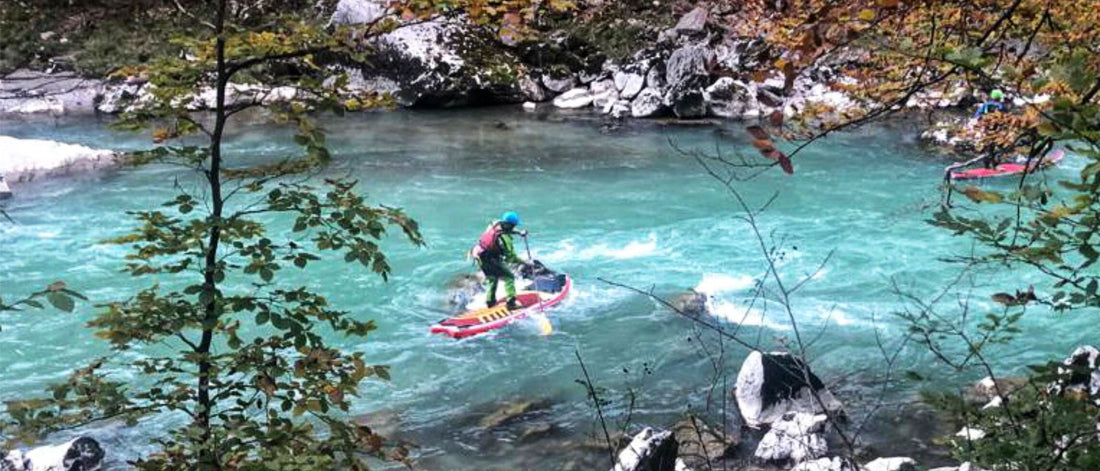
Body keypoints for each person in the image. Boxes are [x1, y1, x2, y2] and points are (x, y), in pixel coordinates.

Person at [471, 211, 529, 309]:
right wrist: (525, 262)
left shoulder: (495, 224)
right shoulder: (505, 239)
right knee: (509, 277)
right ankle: (511, 303)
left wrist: (519, 232)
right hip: (491, 260)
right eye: (513, 225)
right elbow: (511, 258)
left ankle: (490, 302)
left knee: (492, 278)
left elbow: (506, 230)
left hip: (480, 257)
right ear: (510, 225)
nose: (513, 227)